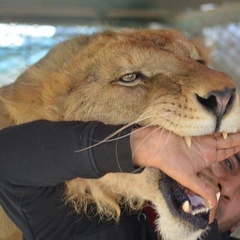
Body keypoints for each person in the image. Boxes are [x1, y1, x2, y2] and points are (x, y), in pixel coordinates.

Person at [1, 120, 240, 240]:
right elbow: (7, 161)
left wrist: (203, 224)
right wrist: (140, 145)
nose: (227, 187)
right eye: (228, 163)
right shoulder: (98, 217)